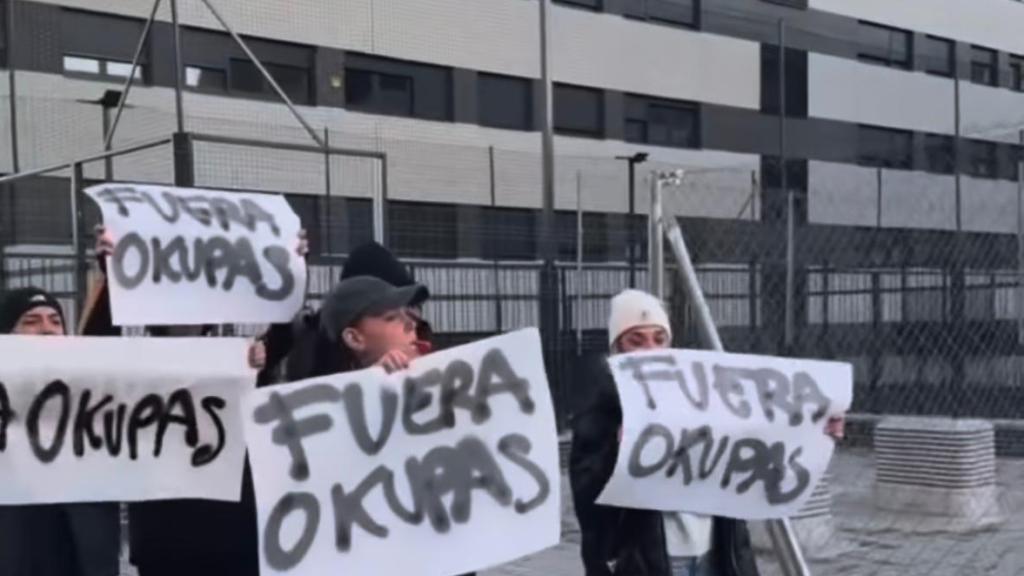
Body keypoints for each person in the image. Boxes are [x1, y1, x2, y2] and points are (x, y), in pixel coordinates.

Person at [0, 287, 121, 576]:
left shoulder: (93, 388)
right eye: (31, 322)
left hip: (81, 550)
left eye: (55, 321)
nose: (47, 330)